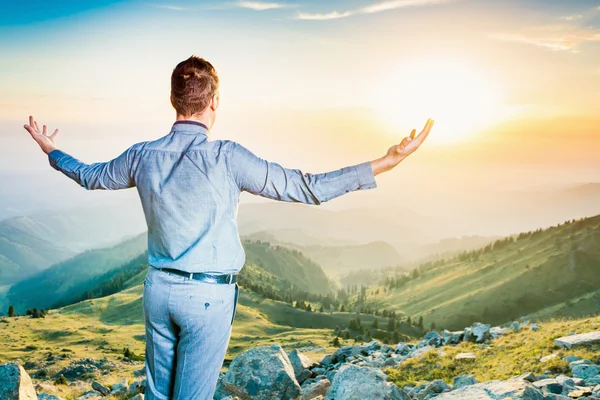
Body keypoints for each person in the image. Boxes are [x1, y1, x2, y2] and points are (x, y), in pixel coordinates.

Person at [23, 55, 434, 400]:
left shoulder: (142, 155)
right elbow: (307, 187)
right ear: (214, 100)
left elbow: (90, 175)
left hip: (158, 290)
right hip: (206, 297)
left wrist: (51, 149)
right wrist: (385, 162)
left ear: (173, 99)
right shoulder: (228, 157)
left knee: (156, 395)